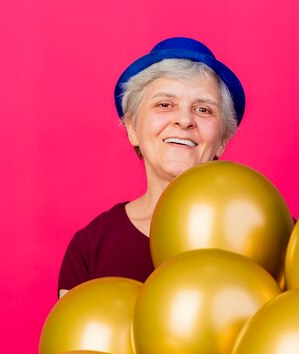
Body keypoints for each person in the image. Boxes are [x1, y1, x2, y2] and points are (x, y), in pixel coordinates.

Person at [57, 37, 246, 298]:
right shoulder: (91, 248)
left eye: (203, 109)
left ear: (222, 140)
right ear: (133, 128)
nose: (184, 120)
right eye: (165, 105)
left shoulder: (266, 229)